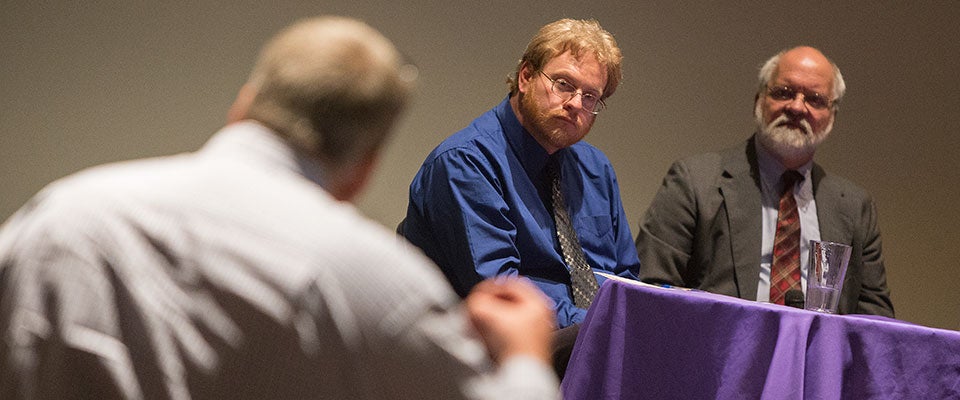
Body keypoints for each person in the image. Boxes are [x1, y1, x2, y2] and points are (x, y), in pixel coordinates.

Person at [0, 16, 560, 399]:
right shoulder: (375, 285)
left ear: (244, 103)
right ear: (365, 164)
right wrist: (525, 358)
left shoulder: (62, 213)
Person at [399, 18, 639, 375]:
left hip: (585, 352)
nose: (575, 103)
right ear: (526, 76)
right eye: (563, 85)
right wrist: (603, 327)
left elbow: (623, 276)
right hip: (485, 361)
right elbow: (502, 293)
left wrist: (620, 326)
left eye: (590, 97)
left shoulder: (596, 168)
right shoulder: (466, 163)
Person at [635, 46, 894, 316]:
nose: (796, 107)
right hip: (718, 353)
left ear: (832, 117)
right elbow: (648, 289)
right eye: (784, 93)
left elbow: (875, 322)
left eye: (814, 99)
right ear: (759, 100)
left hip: (817, 357)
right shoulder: (695, 181)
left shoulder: (855, 208)